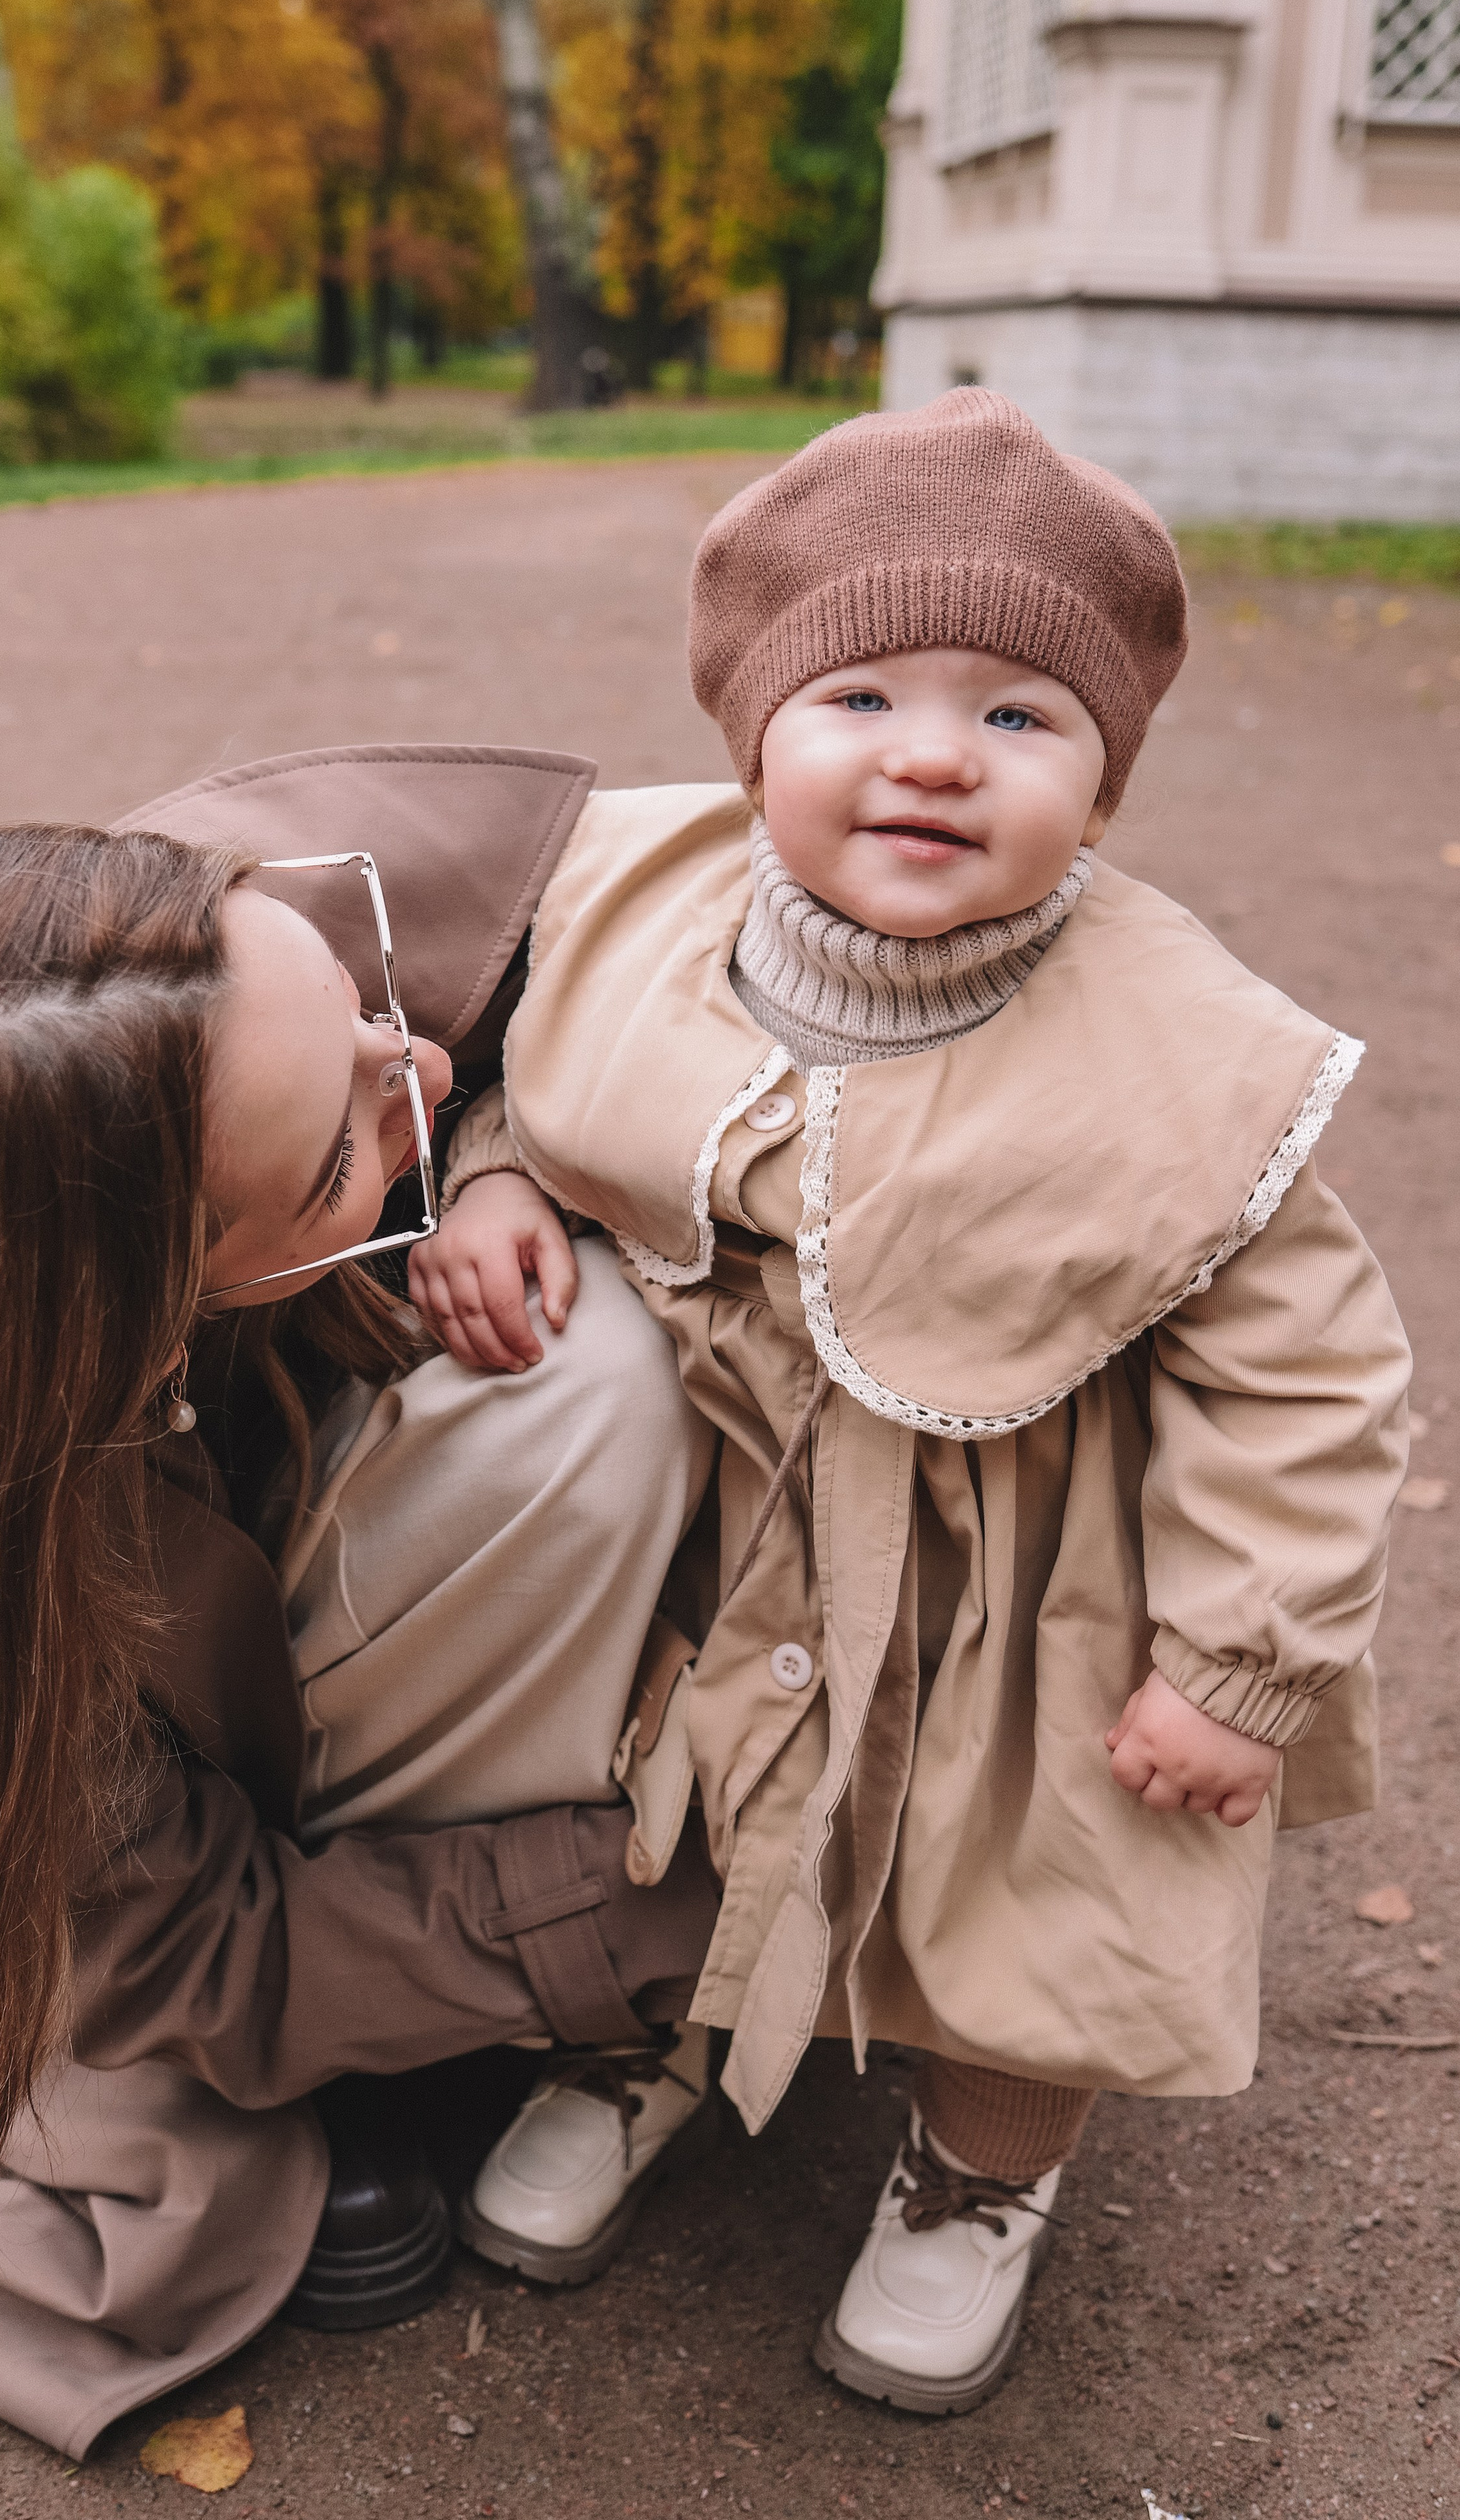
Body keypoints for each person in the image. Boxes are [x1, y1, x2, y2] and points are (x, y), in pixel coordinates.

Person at [408, 391, 1412, 2415]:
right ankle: (639, 2042)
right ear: (753, 739)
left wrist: (1241, 1657)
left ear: (1108, 791)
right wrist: (502, 1169)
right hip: (732, 1516)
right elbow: (557, 1074)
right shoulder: (649, 915)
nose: (940, 751)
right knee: (649, 1793)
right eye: (860, 692)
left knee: (1038, 1879)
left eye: (1027, 717)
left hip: (1026, 1573)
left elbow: (1311, 1364)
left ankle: (982, 2167)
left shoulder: (1176, 1048)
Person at [0, 744, 722, 2460]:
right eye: (336, 1155)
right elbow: (207, 1956)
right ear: (122, 1315)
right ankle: (405, 2047)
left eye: (361, 1004)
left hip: (259, 1520)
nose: (422, 1066)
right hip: (159, 1794)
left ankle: (441, 1972)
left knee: (582, 1364)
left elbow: (568, 956)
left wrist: (506, 1149)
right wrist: (696, 1899)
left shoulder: (212, 940)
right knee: (584, 1395)